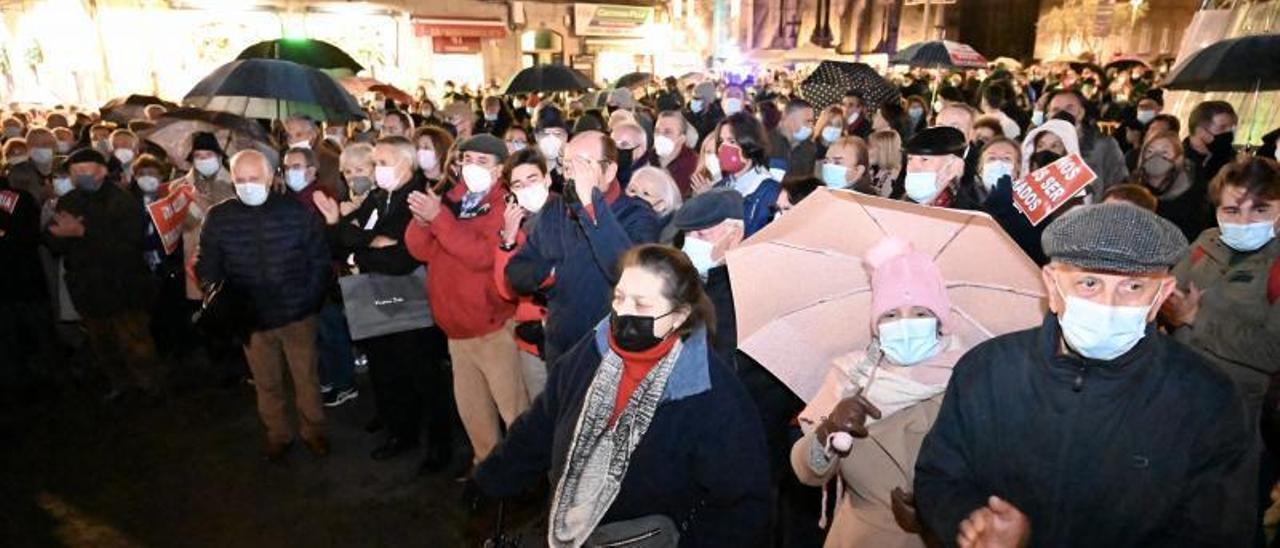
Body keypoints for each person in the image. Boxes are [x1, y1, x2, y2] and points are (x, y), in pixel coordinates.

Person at [914, 203, 1255, 547]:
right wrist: (971, 522)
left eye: (1134, 287)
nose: (1109, 304)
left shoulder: (1208, 399)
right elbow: (940, 475)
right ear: (1052, 285)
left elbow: (1218, 533)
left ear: (1161, 296)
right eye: (1089, 283)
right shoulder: (987, 371)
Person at [475, 244, 770, 547]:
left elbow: (742, 504)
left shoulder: (713, 395)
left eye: (642, 305)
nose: (624, 312)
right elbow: (543, 421)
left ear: (680, 315)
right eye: (619, 298)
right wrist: (493, 476)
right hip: (569, 531)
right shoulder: (589, 353)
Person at [793, 237, 971, 548]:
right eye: (890, 315)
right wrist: (828, 430)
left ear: (939, 320)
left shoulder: (970, 377)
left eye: (919, 313)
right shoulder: (851, 375)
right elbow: (807, 471)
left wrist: (943, 513)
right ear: (876, 323)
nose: (904, 324)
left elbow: (1001, 473)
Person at [313, 137, 451, 469]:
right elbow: (337, 242)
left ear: (409, 164)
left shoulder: (417, 200)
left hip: (413, 304)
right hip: (376, 300)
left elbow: (401, 259)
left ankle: (440, 448)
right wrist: (361, 238)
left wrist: (355, 243)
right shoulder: (377, 198)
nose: (377, 170)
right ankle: (400, 433)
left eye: (384, 163)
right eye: (375, 163)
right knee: (387, 373)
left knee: (425, 378)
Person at [196, 149, 332, 461]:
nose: (247, 185)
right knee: (266, 381)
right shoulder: (219, 217)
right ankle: (278, 435)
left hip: (296, 313)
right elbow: (208, 262)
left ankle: (314, 431)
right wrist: (217, 293)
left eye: (254, 179)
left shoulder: (296, 212)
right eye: (240, 180)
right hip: (250, 316)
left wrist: (308, 300)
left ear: (271, 178)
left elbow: (319, 261)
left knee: (305, 378)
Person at [405, 134, 529, 471]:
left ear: (500, 168)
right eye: (467, 159)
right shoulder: (454, 199)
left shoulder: (505, 205)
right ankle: (486, 469)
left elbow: (481, 256)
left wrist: (439, 220)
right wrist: (422, 222)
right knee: (473, 412)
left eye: (482, 161)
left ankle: (524, 473)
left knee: (513, 408)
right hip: (456, 329)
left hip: (491, 327)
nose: (471, 167)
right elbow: (420, 250)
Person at [506, 130, 660, 363]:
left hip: (611, 354)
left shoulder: (637, 215)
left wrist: (590, 205)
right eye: (568, 166)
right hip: (561, 350)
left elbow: (628, 272)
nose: (573, 175)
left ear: (609, 171)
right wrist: (549, 275)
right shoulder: (554, 211)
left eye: (583, 166)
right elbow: (517, 272)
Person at [1167, 156, 1280, 448]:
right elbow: (1170, 296)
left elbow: (1273, 351)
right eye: (1231, 210)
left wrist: (1195, 318)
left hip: (1237, 411)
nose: (1244, 221)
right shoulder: (1206, 242)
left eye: (1260, 209)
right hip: (1177, 391)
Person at [46, 148, 163, 402]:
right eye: (75, 173)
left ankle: (148, 386)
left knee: (134, 341)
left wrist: (82, 233)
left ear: (101, 172)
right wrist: (58, 235)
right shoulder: (69, 201)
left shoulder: (123, 201)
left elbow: (129, 244)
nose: (80, 177)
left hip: (123, 286)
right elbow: (53, 240)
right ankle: (119, 384)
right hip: (88, 287)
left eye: (85, 171)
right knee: (103, 344)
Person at [495, 147, 556, 402]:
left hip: (567, 337)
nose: (527, 188)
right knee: (540, 413)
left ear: (547, 179)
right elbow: (504, 288)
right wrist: (508, 239)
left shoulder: (569, 216)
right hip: (531, 341)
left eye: (532, 179)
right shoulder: (513, 228)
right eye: (518, 184)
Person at [1131, 131, 1212, 241]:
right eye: (1150, 151)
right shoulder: (1133, 184)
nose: (1156, 157)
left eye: (1165, 153)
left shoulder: (1193, 189)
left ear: (1178, 158)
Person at [1045, 89, 1129, 196]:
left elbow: (1119, 186)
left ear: (1081, 112)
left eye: (1069, 108)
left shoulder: (1103, 145)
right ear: (1048, 115)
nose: (1062, 114)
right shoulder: (1038, 145)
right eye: (1055, 109)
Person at [714, 113, 783, 236]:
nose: (723, 147)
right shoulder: (718, 187)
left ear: (750, 144)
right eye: (721, 141)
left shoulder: (769, 190)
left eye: (732, 141)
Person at [899, 126, 973, 209]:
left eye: (924, 159)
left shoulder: (973, 217)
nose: (913, 168)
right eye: (910, 159)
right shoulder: (896, 209)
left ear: (953, 167)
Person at [284, 115, 345, 198]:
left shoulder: (332, 161)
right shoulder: (286, 158)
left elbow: (334, 194)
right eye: (289, 136)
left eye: (299, 135)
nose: (293, 141)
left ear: (312, 134)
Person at [1185, 100, 1239, 191]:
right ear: (1200, 130)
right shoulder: (1176, 160)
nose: (1229, 133)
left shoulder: (1231, 158)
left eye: (1231, 128)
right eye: (1222, 127)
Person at [626, 166, 683, 243]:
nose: (636, 196)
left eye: (646, 194)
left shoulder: (670, 236)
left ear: (660, 205)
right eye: (632, 190)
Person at [649, 111, 698, 198]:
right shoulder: (647, 159)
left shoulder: (694, 166)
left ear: (682, 139)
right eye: (657, 131)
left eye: (667, 132)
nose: (660, 136)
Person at [769, 99, 818, 179]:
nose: (811, 126)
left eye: (812, 122)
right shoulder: (765, 144)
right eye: (807, 121)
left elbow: (808, 181)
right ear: (789, 119)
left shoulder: (810, 148)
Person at [611, 121, 650, 188]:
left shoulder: (649, 180)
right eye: (612, 144)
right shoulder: (612, 172)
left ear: (640, 150)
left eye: (624, 145)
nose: (616, 149)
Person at [684, 81, 724, 147]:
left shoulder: (718, 119)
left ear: (708, 100)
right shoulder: (688, 115)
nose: (693, 101)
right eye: (693, 98)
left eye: (697, 99)